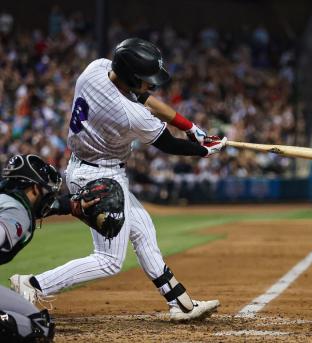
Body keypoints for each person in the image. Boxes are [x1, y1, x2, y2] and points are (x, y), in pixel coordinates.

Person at [10, 38, 226, 322]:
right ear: (131, 78)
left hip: (88, 167)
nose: (152, 85)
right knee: (109, 260)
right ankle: (34, 284)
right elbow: (168, 145)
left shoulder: (96, 69)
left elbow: (145, 99)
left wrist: (189, 127)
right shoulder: (129, 114)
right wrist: (203, 149)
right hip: (100, 177)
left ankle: (180, 304)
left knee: (144, 231)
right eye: (146, 80)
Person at [0, 154, 100, 342]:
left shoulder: (7, 200)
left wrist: (70, 204)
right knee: (35, 329)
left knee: (37, 320)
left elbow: (48, 207)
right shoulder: (17, 211)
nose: (48, 197)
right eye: (46, 191)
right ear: (35, 189)